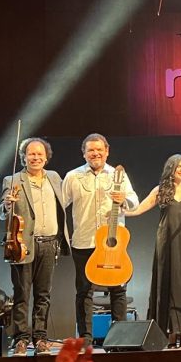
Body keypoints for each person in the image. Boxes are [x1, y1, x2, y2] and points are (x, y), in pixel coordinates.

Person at [62, 133, 139, 346]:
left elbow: (134, 202)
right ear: (84, 153)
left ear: (107, 151)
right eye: (90, 150)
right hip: (84, 241)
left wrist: (124, 200)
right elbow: (60, 206)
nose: (95, 154)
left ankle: (119, 336)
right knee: (84, 291)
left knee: (118, 289)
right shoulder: (73, 176)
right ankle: (85, 338)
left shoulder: (118, 175)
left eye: (99, 150)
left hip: (113, 244)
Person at [0, 137, 71, 356]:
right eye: (31, 154)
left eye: (40, 154)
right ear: (24, 157)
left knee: (43, 295)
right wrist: (7, 204)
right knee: (21, 294)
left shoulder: (55, 178)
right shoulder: (12, 180)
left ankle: (40, 338)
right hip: (22, 245)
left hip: (49, 244)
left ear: (46, 157)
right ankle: (20, 339)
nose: (36, 157)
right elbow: (1, 213)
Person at [126, 154, 181, 348]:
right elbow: (139, 209)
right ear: (171, 169)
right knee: (167, 285)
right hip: (166, 242)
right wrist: (121, 210)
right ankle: (168, 334)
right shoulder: (161, 190)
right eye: (179, 167)